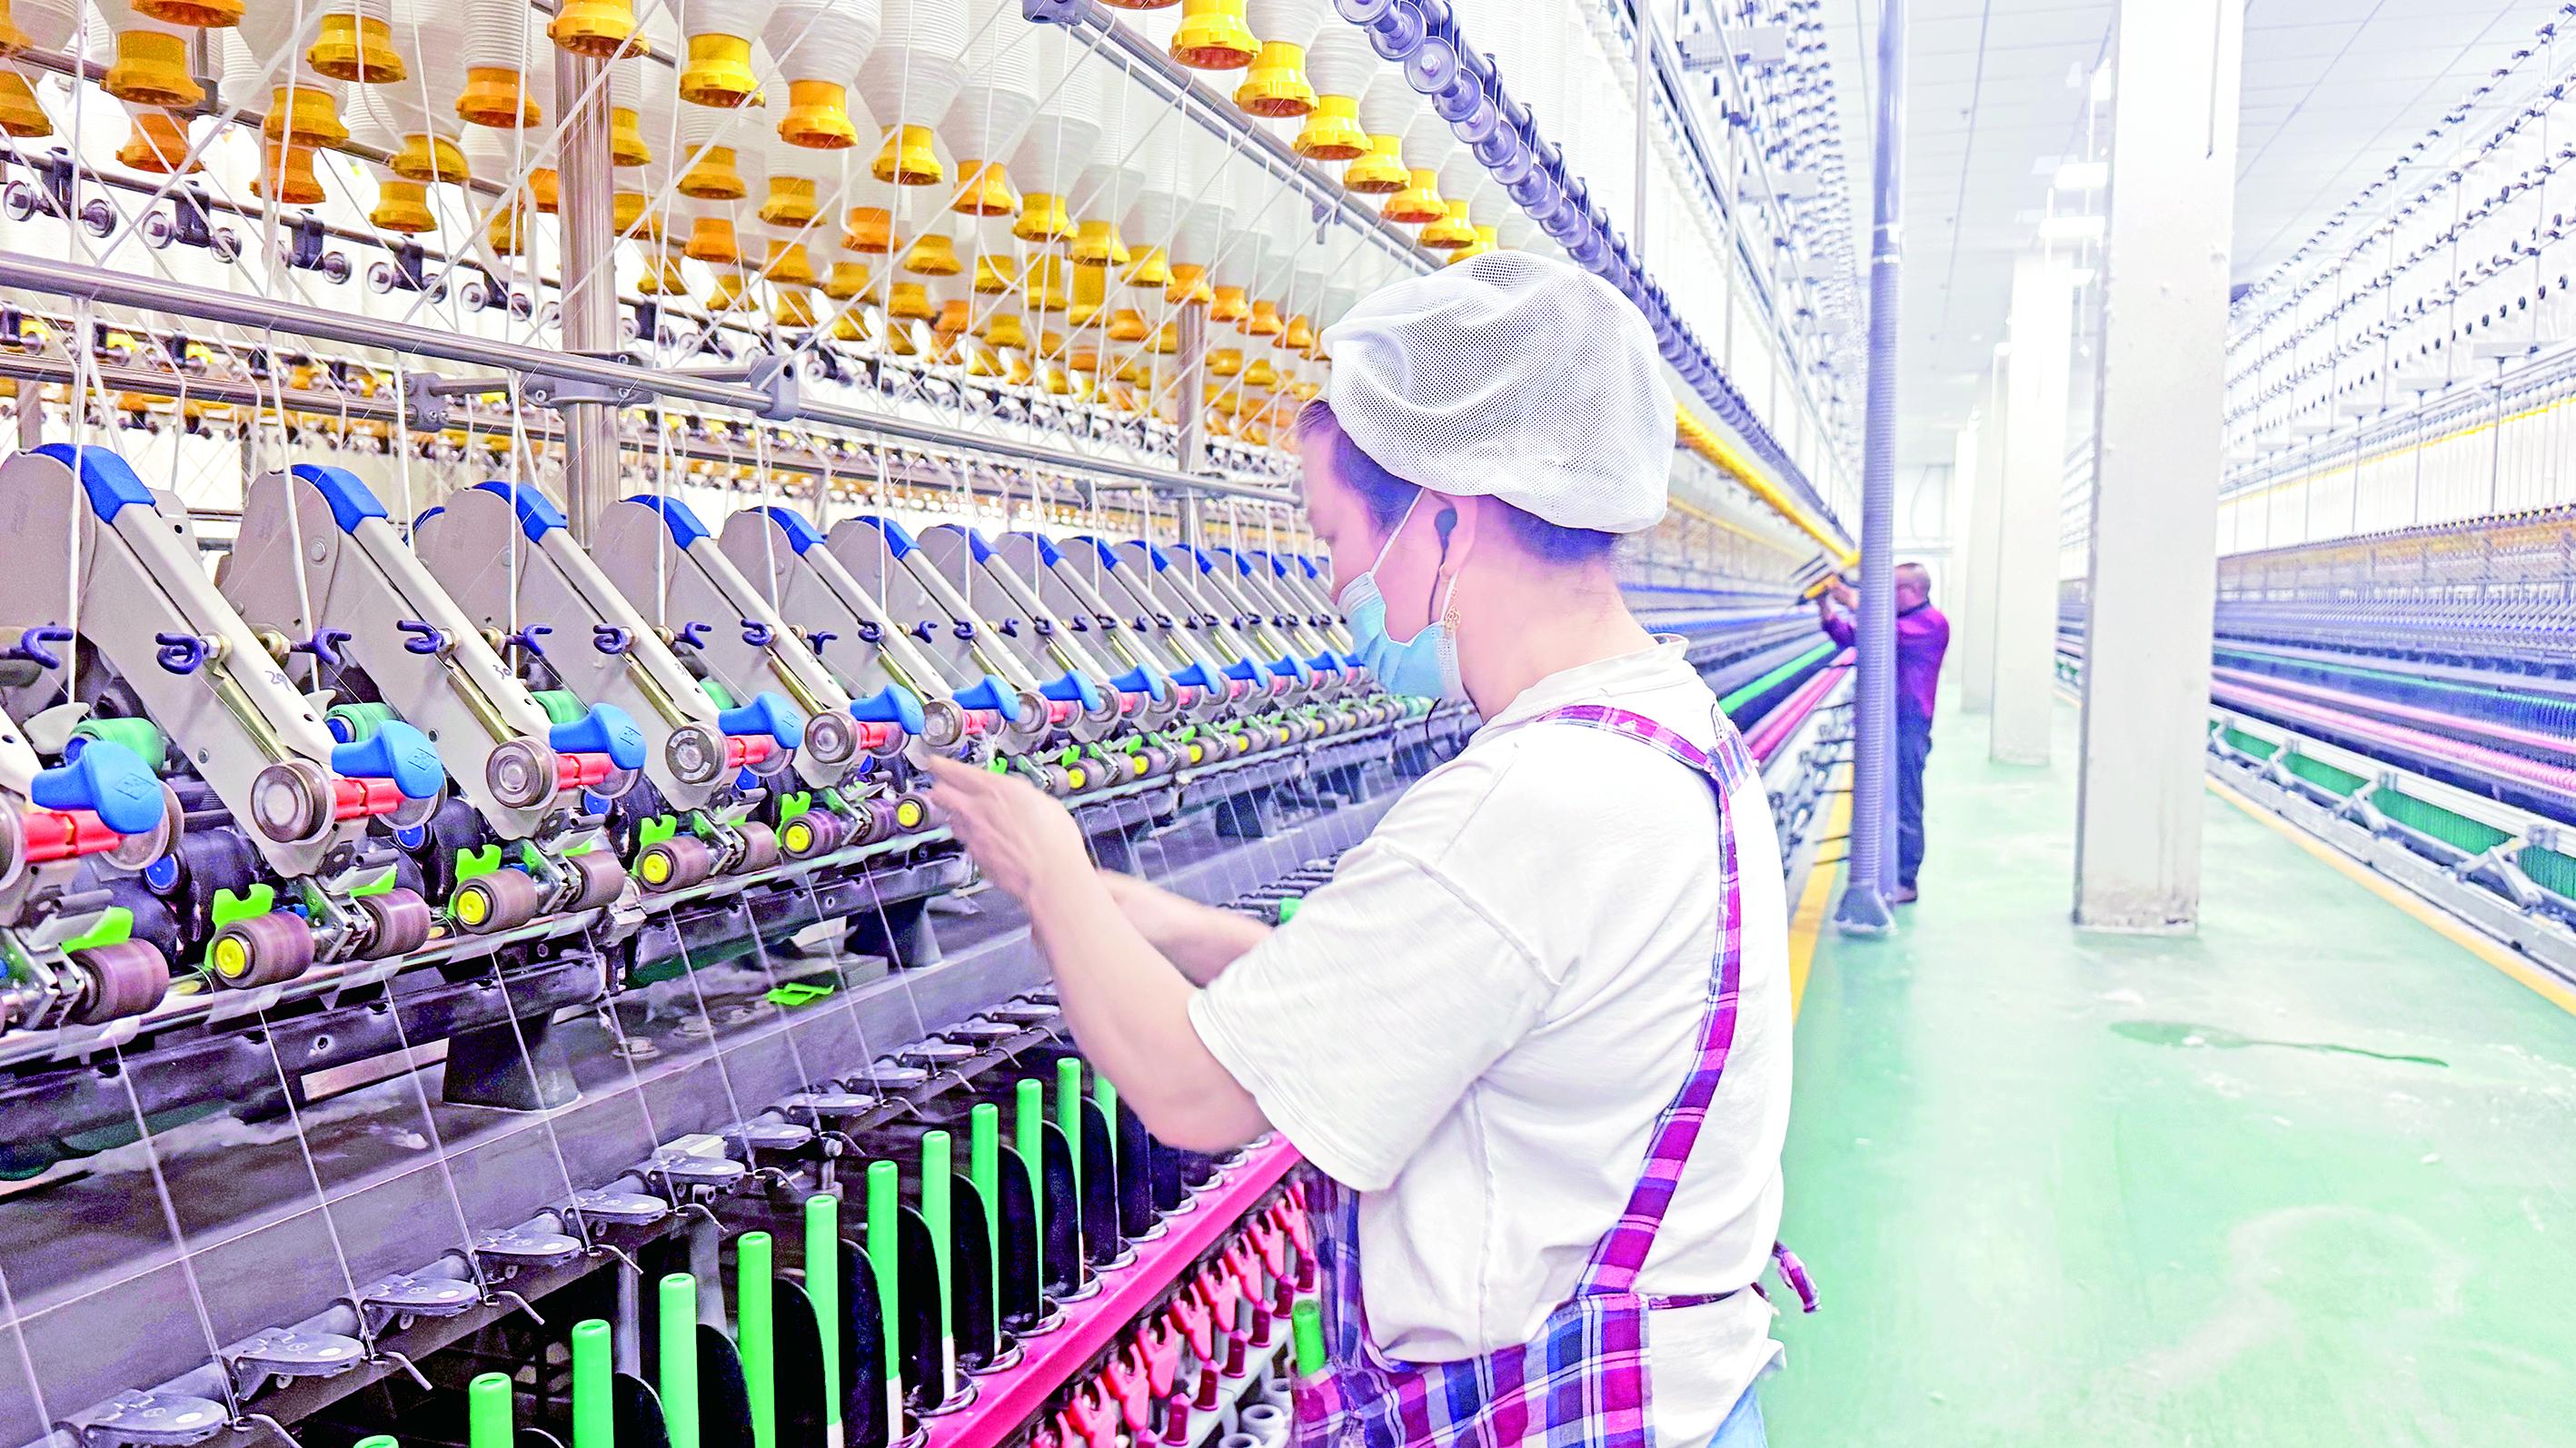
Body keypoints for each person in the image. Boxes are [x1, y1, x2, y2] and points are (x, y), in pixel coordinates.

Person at [923, 251, 1802, 1448]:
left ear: (1445, 517)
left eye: (1334, 535)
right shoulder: (1669, 729)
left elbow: (1193, 1091)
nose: (1336, 579)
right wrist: (1177, 928)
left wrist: (1050, 872)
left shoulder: (1528, 805)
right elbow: (1459, 1009)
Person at [1815, 563, 1950, 903]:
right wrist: (1825, 606)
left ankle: (1906, 881)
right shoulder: (1896, 623)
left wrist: (1854, 600)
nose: (1887, 597)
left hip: (1909, 725)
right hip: (1884, 722)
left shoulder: (1931, 624)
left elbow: (1882, 632)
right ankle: (1883, 866)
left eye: (1892, 589)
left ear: (1912, 591)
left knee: (1906, 801)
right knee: (1880, 800)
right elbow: (1849, 636)